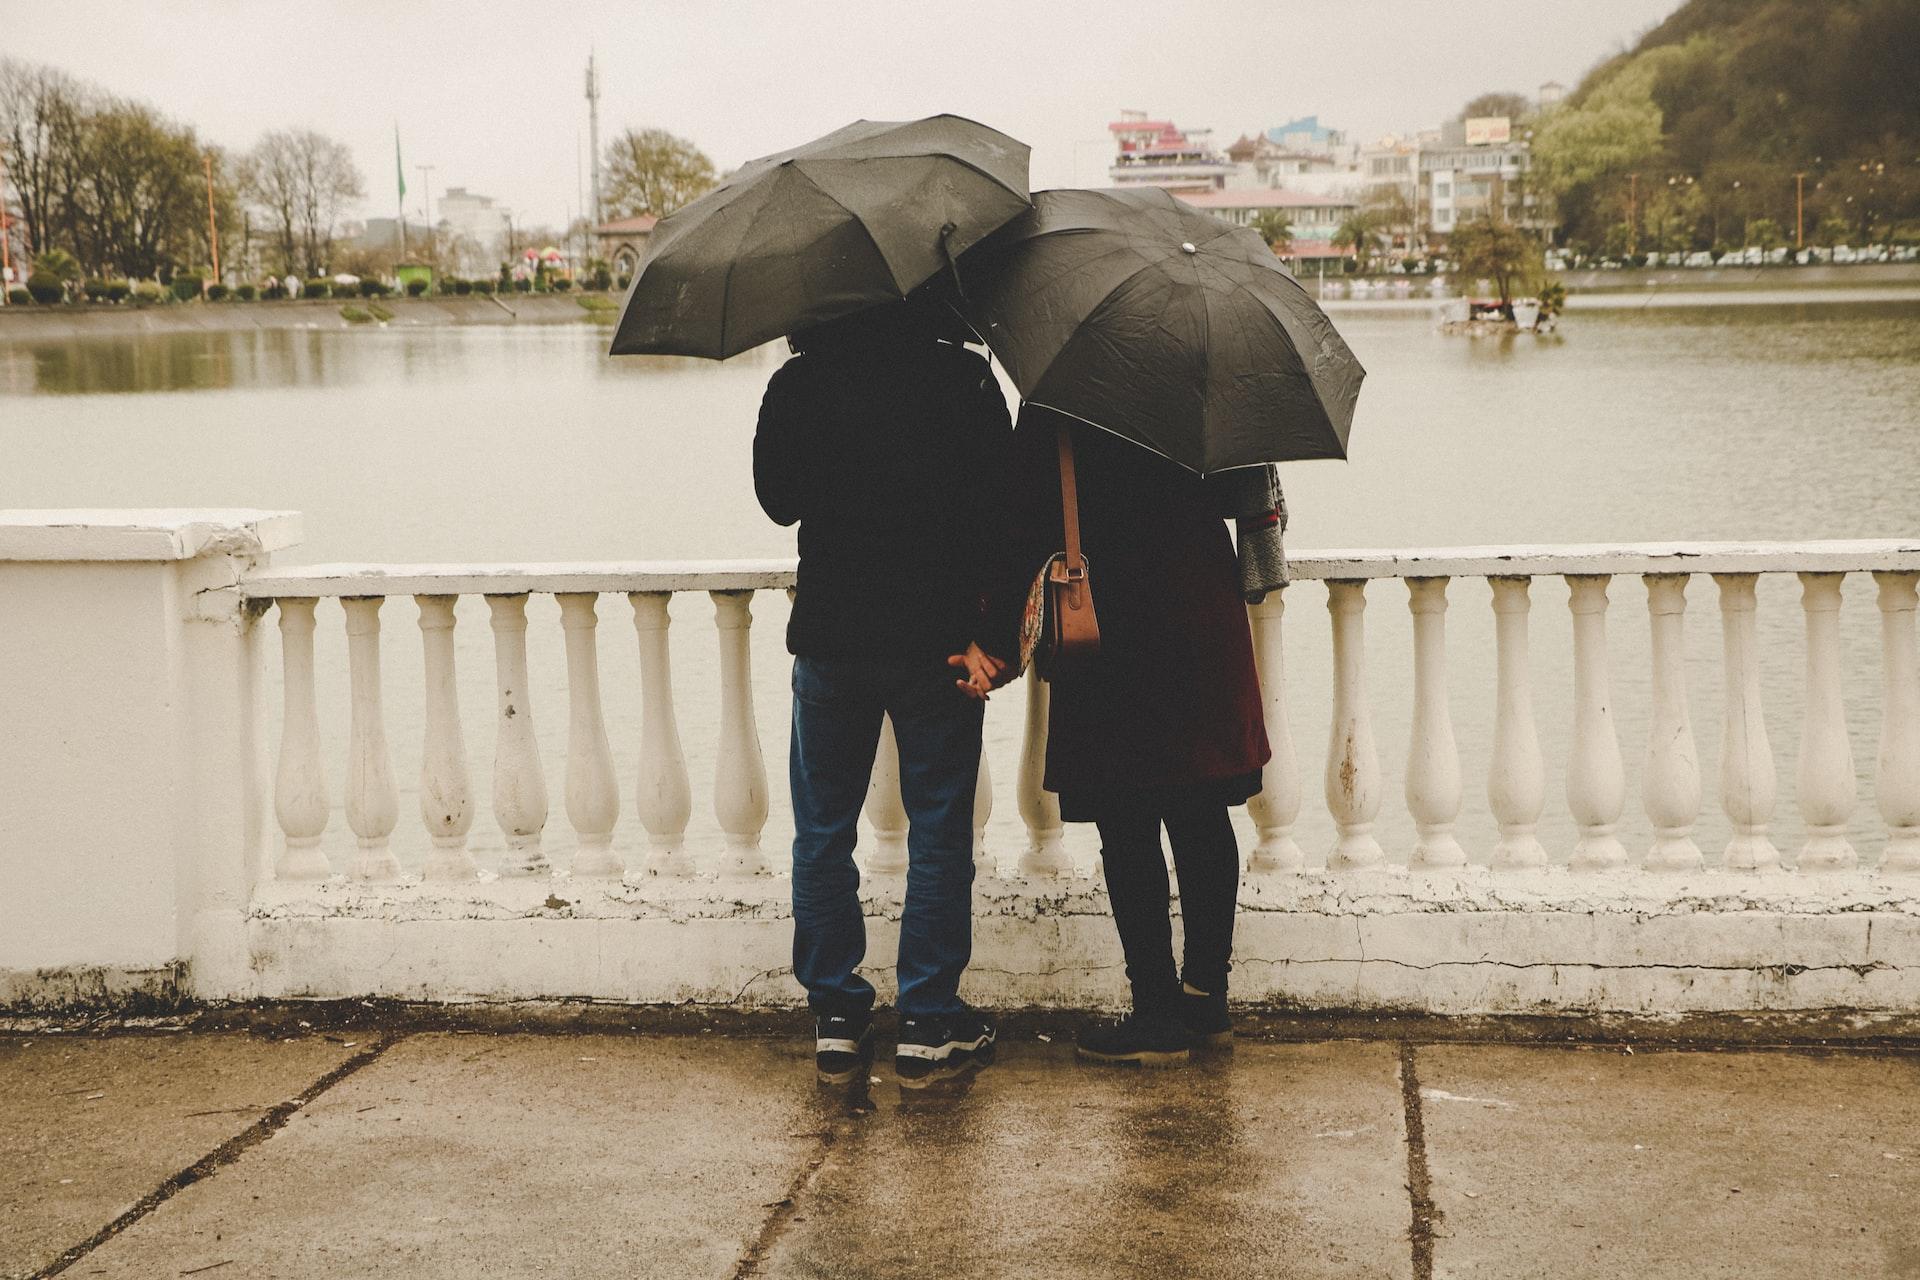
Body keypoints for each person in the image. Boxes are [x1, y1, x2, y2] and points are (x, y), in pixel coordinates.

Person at [754, 294, 1012, 1087]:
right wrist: (993, 635)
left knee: (823, 832)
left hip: (834, 637)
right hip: (936, 641)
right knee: (938, 833)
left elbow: (777, 501)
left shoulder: (799, 383)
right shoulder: (963, 380)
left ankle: (837, 1015)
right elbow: (1003, 513)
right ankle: (930, 1021)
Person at [991, 406, 1272, 1067]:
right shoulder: (1201, 374)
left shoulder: (1061, 394)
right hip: (1198, 604)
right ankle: (1205, 999)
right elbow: (1242, 493)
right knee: (1202, 811)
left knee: (1127, 819)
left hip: (1108, 612)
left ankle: (1155, 1011)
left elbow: (1021, 512)